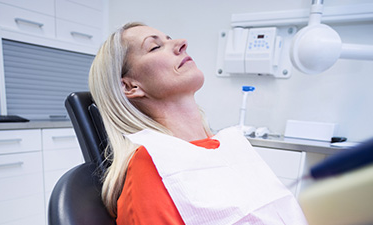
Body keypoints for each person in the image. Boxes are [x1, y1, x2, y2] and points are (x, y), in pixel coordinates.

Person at [89, 22, 308, 224]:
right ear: (130, 86)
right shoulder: (151, 166)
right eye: (155, 47)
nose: (181, 43)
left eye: (169, 39)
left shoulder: (224, 147)